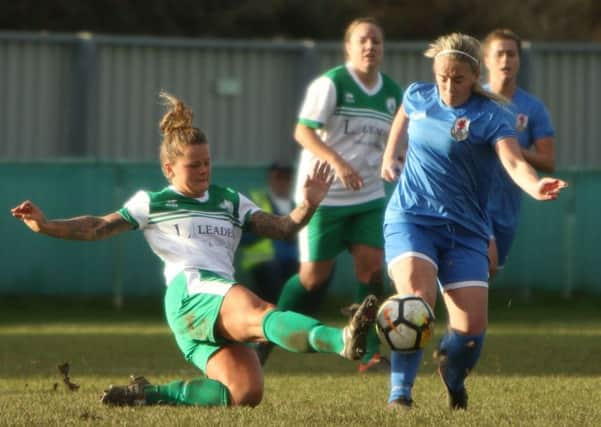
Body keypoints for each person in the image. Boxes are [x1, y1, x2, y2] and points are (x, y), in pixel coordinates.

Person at [10, 92, 378, 408]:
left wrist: (309, 205)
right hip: (191, 291)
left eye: (207, 162)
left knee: (246, 392)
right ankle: (340, 340)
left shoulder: (229, 200)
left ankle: (148, 395)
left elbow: (283, 229)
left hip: (210, 301)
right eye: (193, 165)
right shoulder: (154, 202)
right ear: (169, 169)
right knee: (260, 311)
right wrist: (46, 225)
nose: (203, 171)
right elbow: (96, 227)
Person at [380, 33, 567, 410]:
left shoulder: (492, 117)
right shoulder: (419, 95)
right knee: (415, 303)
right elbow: (405, 111)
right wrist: (391, 153)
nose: (448, 86)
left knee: (469, 337)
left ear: (475, 77)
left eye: (458, 79)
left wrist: (535, 185)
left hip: (466, 230)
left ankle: (451, 373)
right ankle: (400, 395)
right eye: (442, 78)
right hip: (412, 217)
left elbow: (514, 163)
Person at [274, 16, 403, 373]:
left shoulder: (393, 93)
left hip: (368, 197)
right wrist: (337, 162)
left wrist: (398, 158)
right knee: (313, 278)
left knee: (372, 269)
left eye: (376, 41)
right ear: (348, 47)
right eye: (362, 40)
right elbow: (303, 132)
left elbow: (395, 143)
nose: (370, 47)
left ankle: (371, 352)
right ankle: (265, 332)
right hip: (326, 197)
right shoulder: (331, 84)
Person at [482, 29, 556, 277]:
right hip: (473, 200)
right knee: (481, 263)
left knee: (487, 273)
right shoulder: (474, 100)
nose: (505, 60)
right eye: (499, 54)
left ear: (519, 60)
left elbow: (548, 161)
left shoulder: (532, 108)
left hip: (507, 206)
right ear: (486, 60)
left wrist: (510, 148)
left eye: (511, 54)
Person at [240, 162, 299, 303]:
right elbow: (243, 235)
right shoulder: (256, 200)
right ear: (270, 179)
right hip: (263, 259)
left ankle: (297, 310)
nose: (282, 182)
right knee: (272, 271)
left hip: (293, 258)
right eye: (278, 177)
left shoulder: (298, 202)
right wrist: (268, 231)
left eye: (286, 178)